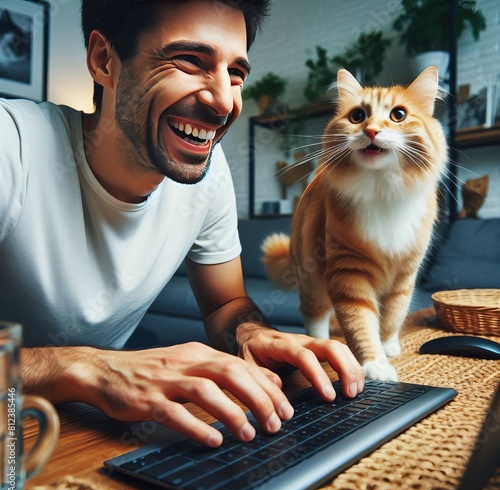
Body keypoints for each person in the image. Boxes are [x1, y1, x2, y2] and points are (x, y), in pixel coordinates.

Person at [0, 0, 364, 448]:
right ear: (103, 60)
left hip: (80, 432)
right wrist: (86, 367)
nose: (224, 101)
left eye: (236, 73)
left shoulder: (209, 174)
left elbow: (224, 304)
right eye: (191, 61)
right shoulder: (10, 144)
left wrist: (251, 332)